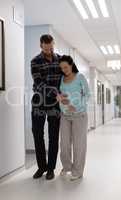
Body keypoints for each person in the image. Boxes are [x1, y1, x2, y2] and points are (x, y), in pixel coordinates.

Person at [31, 34, 62, 180]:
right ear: (41, 45)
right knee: (37, 134)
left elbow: (65, 78)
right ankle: (41, 167)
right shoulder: (35, 61)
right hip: (39, 100)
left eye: (51, 46)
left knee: (53, 135)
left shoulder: (60, 60)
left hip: (55, 103)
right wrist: (55, 92)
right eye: (46, 46)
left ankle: (50, 168)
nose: (49, 49)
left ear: (53, 44)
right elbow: (38, 83)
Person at [56, 55, 90, 181]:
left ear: (71, 65)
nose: (64, 69)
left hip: (79, 115)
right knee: (64, 144)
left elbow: (87, 94)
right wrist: (59, 98)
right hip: (65, 115)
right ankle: (67, 166)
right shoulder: (62, 78)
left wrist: (78, 106)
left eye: (66, 67)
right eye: (62, 68)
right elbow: (61, 94)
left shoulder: (80, 77)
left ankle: (78, 171)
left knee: (78, 145)